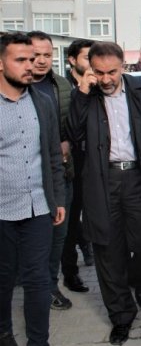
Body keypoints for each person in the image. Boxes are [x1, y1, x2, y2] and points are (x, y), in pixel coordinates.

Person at [67, 42, 141, 345]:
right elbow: (74, 134)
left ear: (123, 66)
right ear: (90, 69)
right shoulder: (85, 95)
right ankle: (121, 315)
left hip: (138, 178)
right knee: (108, 251)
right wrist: (83, 93)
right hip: (102, 179)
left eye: (112, 72)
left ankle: (138, 278)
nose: (106, 79)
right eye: (99, 72)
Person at [0, 33, 66, 346]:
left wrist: (58, 198)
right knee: (3, 278)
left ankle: (38, 341)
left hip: (38, 206)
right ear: (1, 63)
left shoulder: (43, 101)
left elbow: (53, 154)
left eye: (33, 59)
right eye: (21, 60)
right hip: (2, 210)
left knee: (38, 278)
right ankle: (4, 333)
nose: (31, 65)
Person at [26, 31, 77, 311]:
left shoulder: (61, 85)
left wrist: (68, 142)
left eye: (47, 55)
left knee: (59, 235)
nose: (42, 60)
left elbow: (72, 124)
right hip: (26, 179)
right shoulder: (14, 88)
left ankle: (49, 285)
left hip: (60, 174)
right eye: (36, 55)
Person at [61, 39, 96, 294]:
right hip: (70, 164)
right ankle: (70, 273)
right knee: (70, 221)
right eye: (86, 58)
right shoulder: (62, 88)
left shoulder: (98, 87)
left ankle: (87, 243)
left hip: (93, 162)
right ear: (72, 60)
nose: (91, 63)